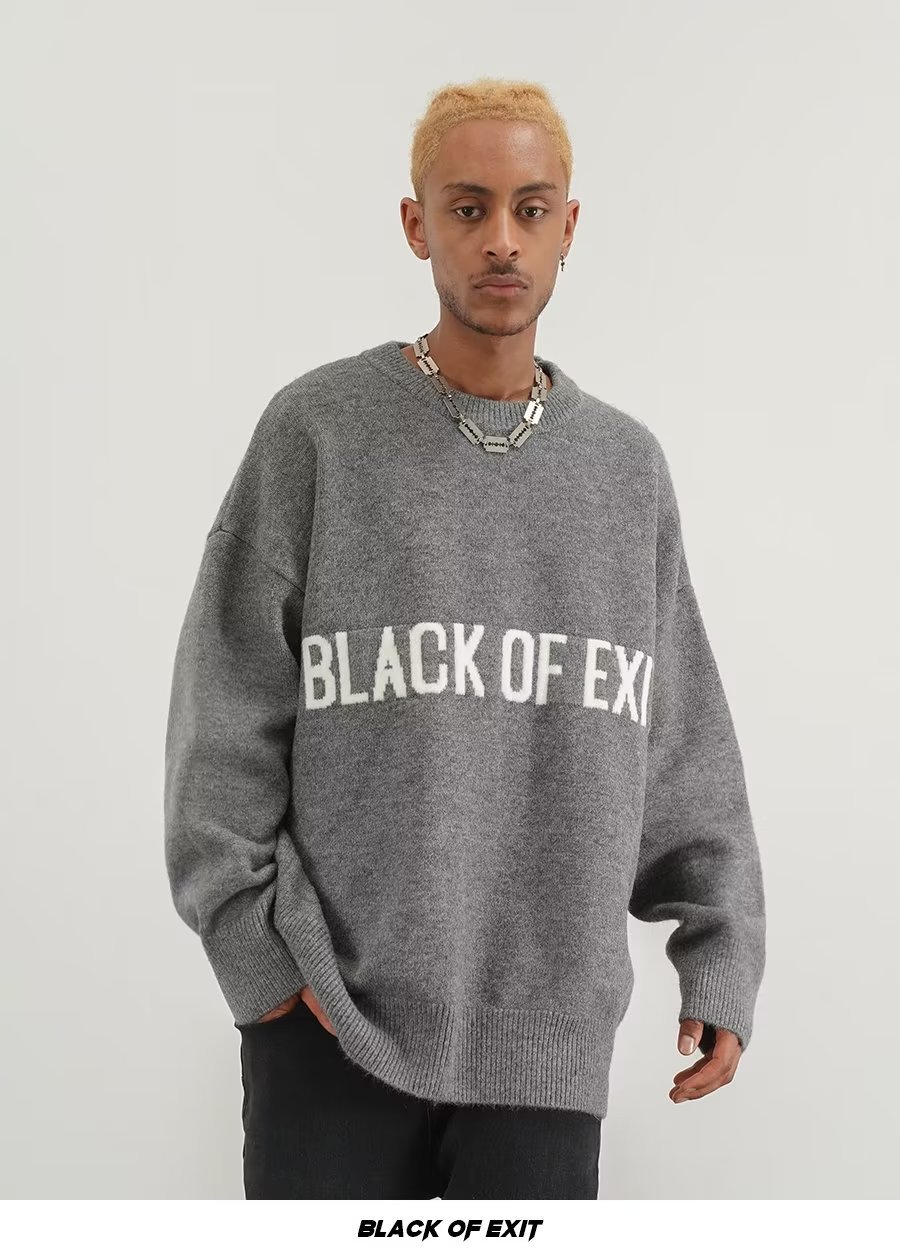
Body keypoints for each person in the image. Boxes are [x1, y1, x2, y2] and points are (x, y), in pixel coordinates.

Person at [164, 76, 766, 1201]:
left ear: (570, 227)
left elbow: (677, 732)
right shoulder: (318, 433)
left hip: (545, 1044)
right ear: (417, 224)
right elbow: (224, 710)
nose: (501, 239)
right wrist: (259, 964)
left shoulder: (625, 472)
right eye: (468, 207)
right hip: (327, 1025)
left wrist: (720, 946)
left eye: (531, 210)